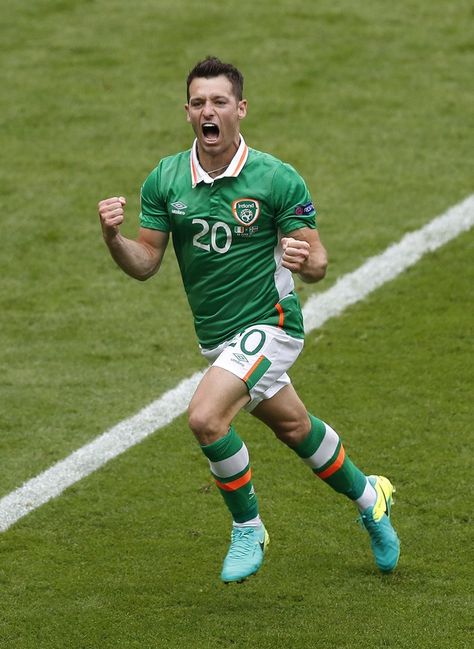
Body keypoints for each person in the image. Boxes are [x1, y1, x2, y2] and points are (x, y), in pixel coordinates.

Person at [98, 56, 400, 583]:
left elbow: (318, 260)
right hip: (219, 340)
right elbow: (146, 263)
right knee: (295, 427)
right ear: (188, 112)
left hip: (272, 324)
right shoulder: (165, 180)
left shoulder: (276, 179)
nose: (207, 111)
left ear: (240, 109)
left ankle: (248, 527)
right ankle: (371, 497)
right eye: (198, 102)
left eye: (218, 101)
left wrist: (309, 263)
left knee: (205, 418)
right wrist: (113, 239)